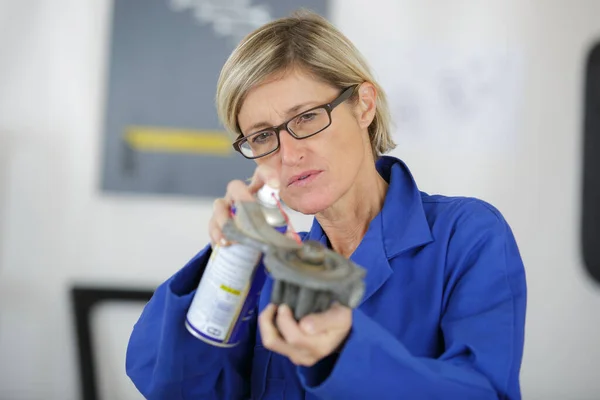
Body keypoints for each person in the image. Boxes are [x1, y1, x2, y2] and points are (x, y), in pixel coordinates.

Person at [126, 9, 527, 400]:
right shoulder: (270, 264)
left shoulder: (466, 236)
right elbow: (171, 384)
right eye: (263, 136)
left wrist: (343, 350)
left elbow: (485, 391)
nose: (289, 153)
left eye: (305, 118)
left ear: (364, 105)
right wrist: (229, 259)